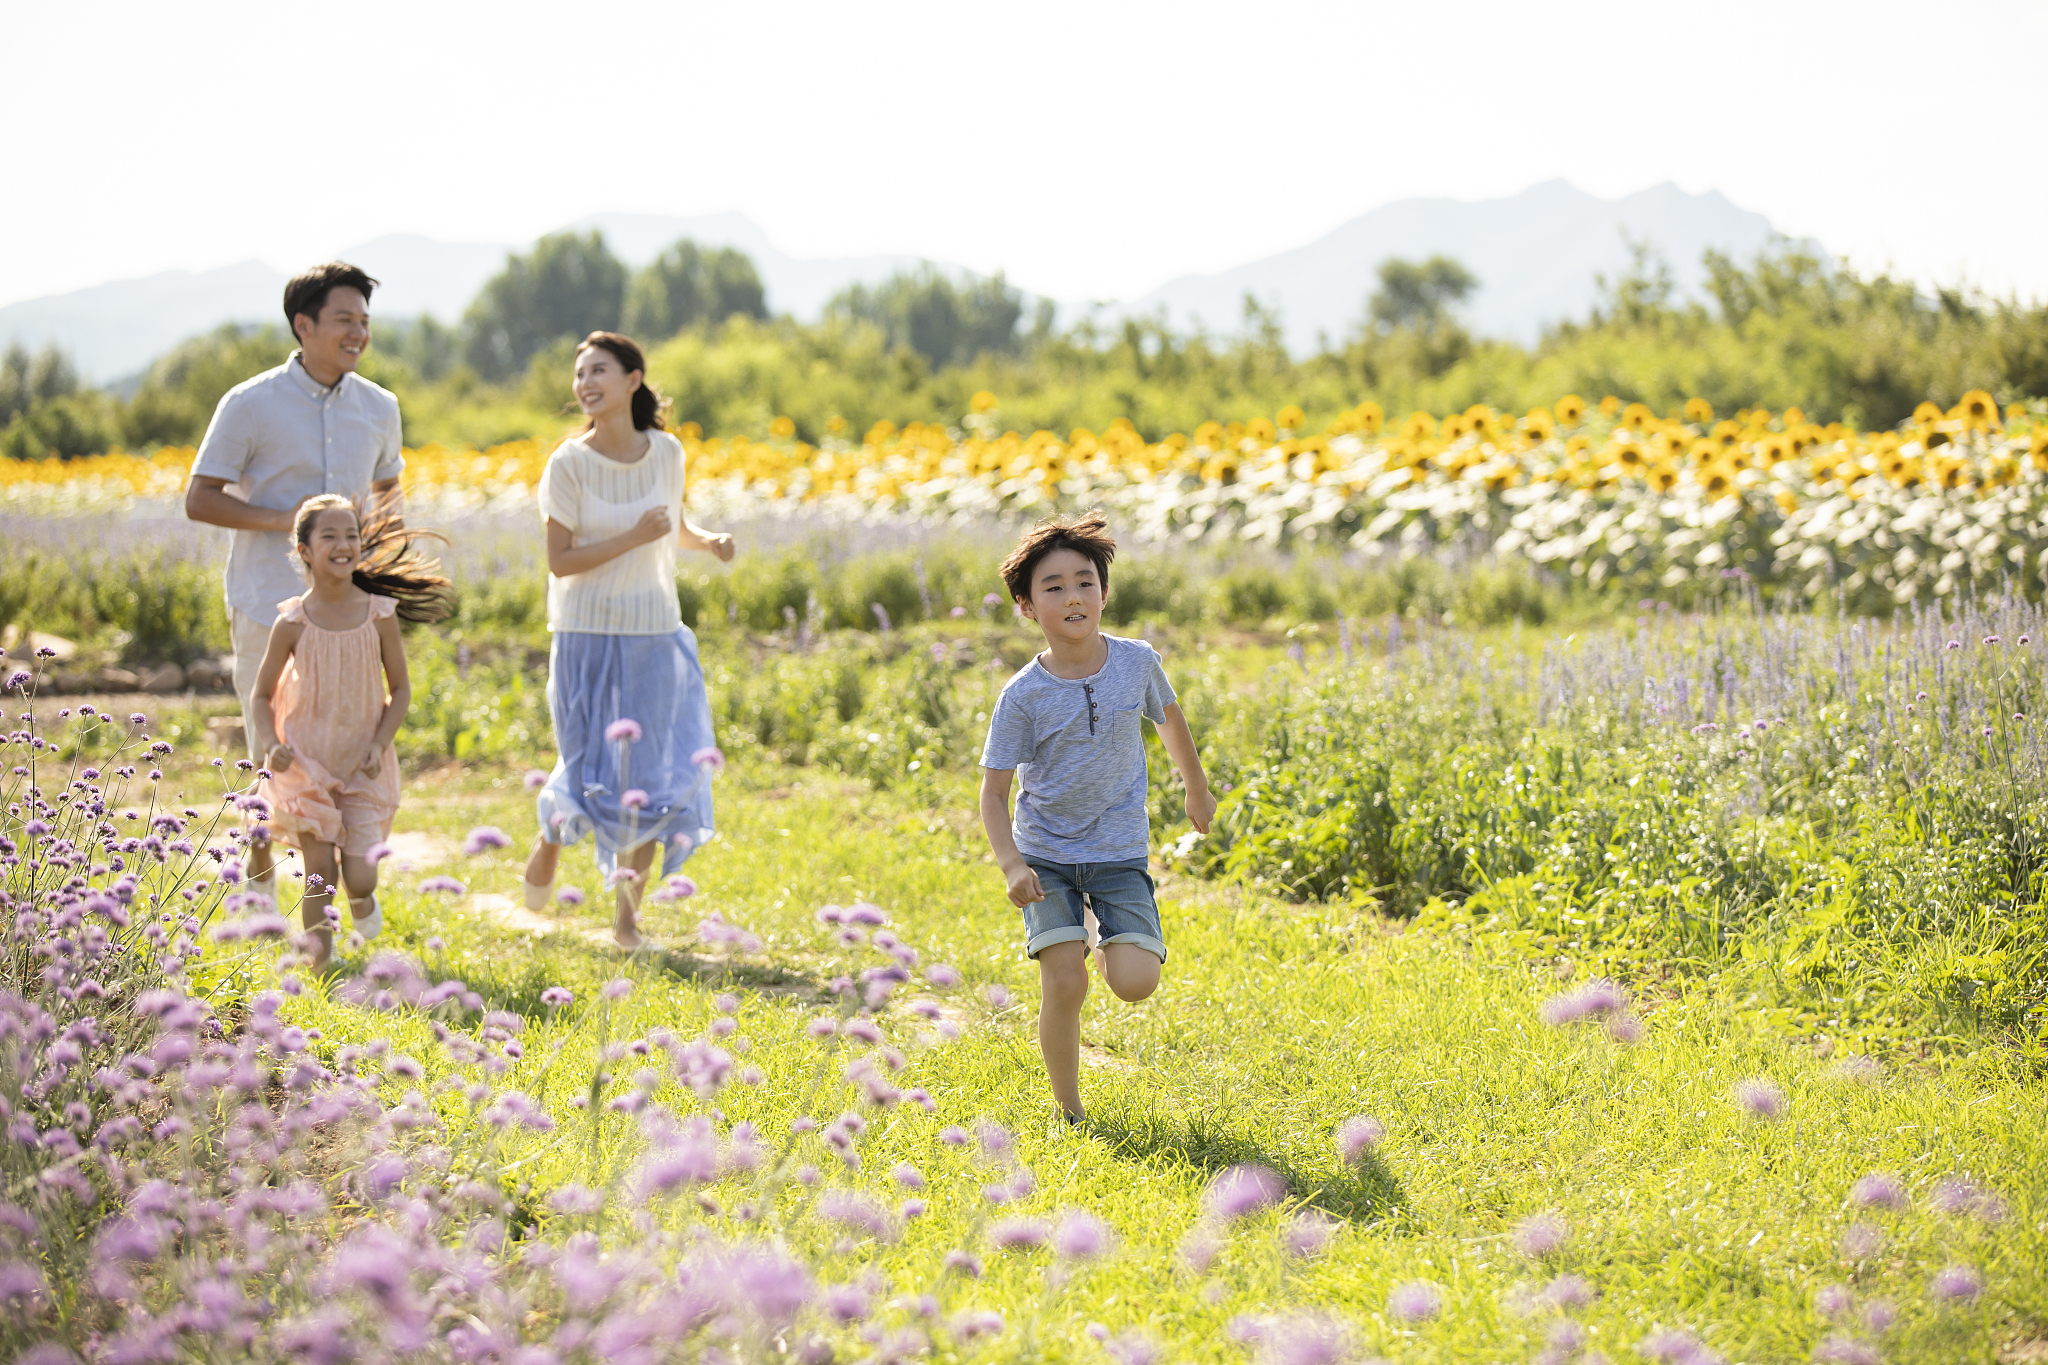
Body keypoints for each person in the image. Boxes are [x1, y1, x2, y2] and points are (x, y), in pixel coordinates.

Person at [978, 511, 1216, 1125]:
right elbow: (993, 793)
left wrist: (1197, 790)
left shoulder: (1136, 663)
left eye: (1084, 582)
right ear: (1028, 607)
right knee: (1065, 984)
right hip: (1046, 858)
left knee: (1135, 982)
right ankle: (1068, 1109)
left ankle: (1098, 931)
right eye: (1052, 587)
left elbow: (1168, 718)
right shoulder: (1022, 695)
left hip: (1117, 852)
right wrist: (1010, 865)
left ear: (1104, 594)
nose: (1072, 596)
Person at [185, 262, 404, 907]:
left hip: (351, 616)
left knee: (343, 740)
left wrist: (384, 577)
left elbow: (388, 498)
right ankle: (256, 885)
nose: (358, 333)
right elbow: (200, 498)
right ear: (303, 325)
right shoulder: (249, 403)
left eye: (364, 321)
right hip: (265, 603)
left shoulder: (380, 406)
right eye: (344, 320)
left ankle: (329, 884)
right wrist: (283, 520)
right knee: (271, 749)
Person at [520, 331, 734, 949]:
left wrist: (708, 540)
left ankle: (626, 920)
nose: (585, 383)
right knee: (587, 764)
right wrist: (637, 536)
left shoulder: (667, 452)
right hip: (584, 633)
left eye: (599, 371)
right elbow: (560, 561)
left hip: (653, 631)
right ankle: (551, 836)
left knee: (650, 769)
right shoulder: (568, 463)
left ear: (633, 380)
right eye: (580, 374)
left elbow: (672, 527)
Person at [250, 495, 451, 971]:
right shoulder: (292, 622)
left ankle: (361, 899)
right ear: (304, 551)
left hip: (363, 762)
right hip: (306, 766)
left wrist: (381, 743)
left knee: (359, 877)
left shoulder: (379, 615)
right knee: (320, 872)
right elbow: (261, 695)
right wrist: (272, 745)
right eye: (330, 536)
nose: (344, 545)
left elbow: (399, 689)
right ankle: (320, 965)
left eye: (351, 535)